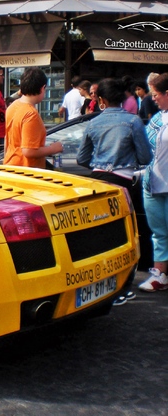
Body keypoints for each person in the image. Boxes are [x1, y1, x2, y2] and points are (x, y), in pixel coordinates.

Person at [76, 78, 153, 304]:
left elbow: (81, 158)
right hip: (122, 182)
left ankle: (97, 289)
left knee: (99, 236)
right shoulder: (133, 121)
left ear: (101, 100)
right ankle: (121, 288)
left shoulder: (93, 123)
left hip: (98, 181)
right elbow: (145, 157)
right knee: (123, 238)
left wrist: (100, 164)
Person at [139, 72, 168, 292]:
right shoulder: (158, 118)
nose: (153, 99)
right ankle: (160, 274)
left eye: (156, 94)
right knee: (158, 233)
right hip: (153, 184)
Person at [3, 67, 63, 168]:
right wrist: (53, 148)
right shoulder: (31, 114)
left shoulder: (13, 106)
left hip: (10, 164)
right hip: (26, 171)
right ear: (42, 88)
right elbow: (28, 151)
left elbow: (7, 140)